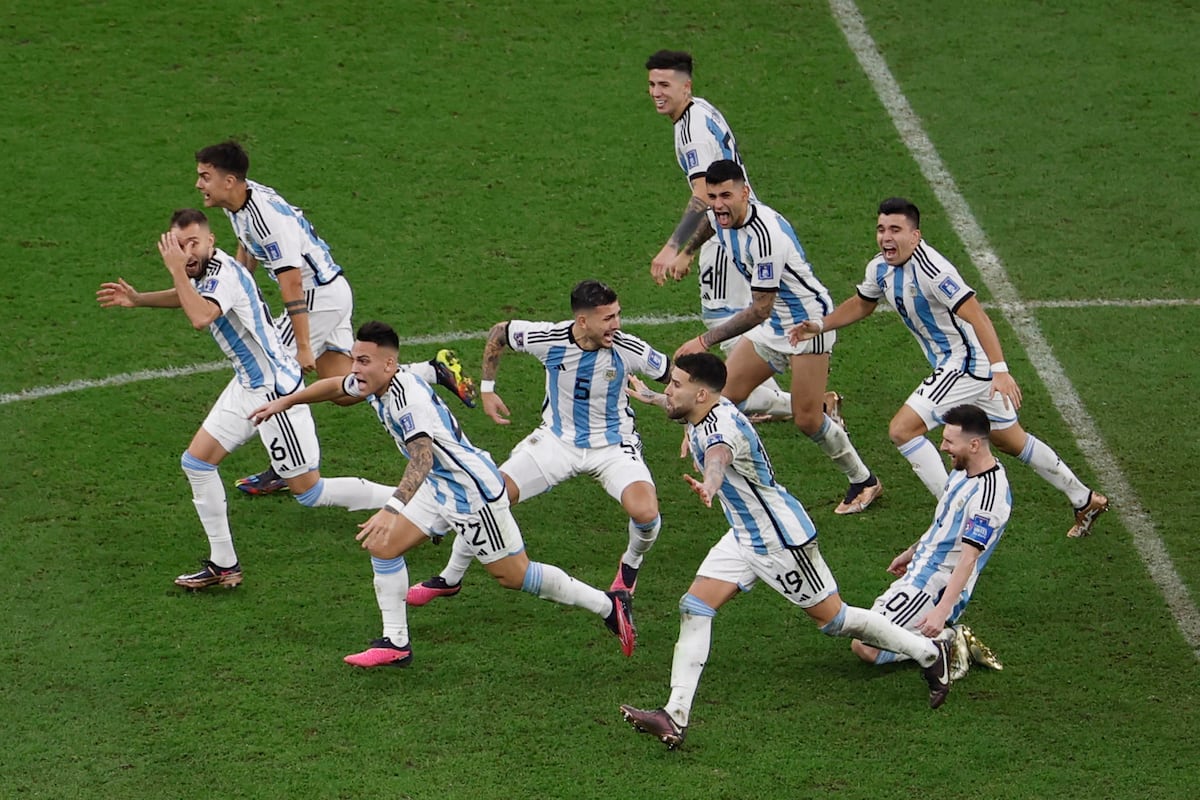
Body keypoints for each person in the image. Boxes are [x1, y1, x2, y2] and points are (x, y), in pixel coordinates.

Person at [248, 321, 636, 666]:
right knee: (383, 548)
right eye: (354, 359)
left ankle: (607, 605)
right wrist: (286, 402)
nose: (355, 369)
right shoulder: (376, 378)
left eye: (363, 361)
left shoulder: (406, 402)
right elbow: (336, 386)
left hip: (471, 494)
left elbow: (423, 458)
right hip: (441, 488)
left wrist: (391, 508)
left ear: (388, 364)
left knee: (514, 576)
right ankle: (396, 643)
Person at [618, 353, 953, 751]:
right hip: (745, 536)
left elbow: (718, 457)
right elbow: (693, 418)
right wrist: (654, 397)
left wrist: (710, 485)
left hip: (780, 543)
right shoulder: (710, 406)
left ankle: (931, 653)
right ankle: (674, 716)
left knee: (836, 620)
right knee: (694, 607)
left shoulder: (721, 431)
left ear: (702, 393)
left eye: (675, 384)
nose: (669, 389)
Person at [96, 209, 397, 589]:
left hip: (273, 392)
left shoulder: (222, 274)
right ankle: (224, 564)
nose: (186, 252)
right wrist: (139, 299)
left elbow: (201, 315)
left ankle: (412, 501)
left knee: (311, 492)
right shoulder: (205, 272)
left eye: (193, 243)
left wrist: (174, 269)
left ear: (211, 242)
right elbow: (190, 296)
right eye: (178, 245)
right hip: (247, 385)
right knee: (196, 463)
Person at [790, 197, 1108, 537]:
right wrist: (822, 325)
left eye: (896, 230)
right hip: (963, 365)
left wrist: (1000, 369)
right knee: (1010, 440)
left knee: (902, 429)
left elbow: (978, 316)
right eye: (881, 229)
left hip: (967, 364)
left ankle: (953, 514)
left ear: (915, 236)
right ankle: (1084, 497)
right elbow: (862, 304)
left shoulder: (934, 271)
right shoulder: (880, 268)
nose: (886, 238)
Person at [193, 140, 476, 496]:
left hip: (317, 300)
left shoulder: (263, 217)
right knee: (344, 389)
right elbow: (247, 249)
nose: (199, 184)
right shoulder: (241, 203)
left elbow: (292, 282)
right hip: (331, 291)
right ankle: (432, 370)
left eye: (205, 177)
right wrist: (238, 283)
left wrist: (304, 347)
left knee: (271, 373)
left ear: (229, 180)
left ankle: (287, 468)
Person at [406, 279, 670, 606]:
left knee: (645, 513)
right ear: (582, 321)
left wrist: (661, 402)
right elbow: (500, 332)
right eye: (608, 318)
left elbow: (679, 380)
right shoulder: (551, 338)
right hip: (556, 443)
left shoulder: (628, 348)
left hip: (613, 447)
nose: (616, 325)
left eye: (618, 315)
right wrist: (487, 389)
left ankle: (629, 567)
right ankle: (450, 577)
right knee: (489, 496)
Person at [674, 160, 883, 515]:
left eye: (727, 195)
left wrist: (705, 341)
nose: (719, 204)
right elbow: (708, 224)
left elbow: (760, 310)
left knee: (807, 420)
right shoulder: (719, 215)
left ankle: (864, 481)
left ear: (745, 192)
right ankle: (724, 460)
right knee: (723, 395)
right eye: (712, 196)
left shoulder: (766, 237)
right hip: (772, 329)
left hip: (805, 327)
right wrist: (685, 253)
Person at [644, 49, 792, 422]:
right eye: (651, 84)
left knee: (723, 322)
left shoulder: (692, 132)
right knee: (730, 321)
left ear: (685, 86)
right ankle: (775, 397)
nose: (656, 92)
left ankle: (798, 403)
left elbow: (704, 196)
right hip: (732, 228)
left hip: (730, 234)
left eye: (664, 85)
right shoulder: (700, 110)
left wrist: (675, 247)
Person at [849, 404, 1008, 680]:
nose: (943, 447)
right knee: (866, 631)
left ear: (973, 444)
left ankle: (945, 640)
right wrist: (913, 551)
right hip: (921, 570)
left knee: (865, 646)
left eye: (949, 441)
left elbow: (968, 558)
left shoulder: (988, 498)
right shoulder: (963, 470)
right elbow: (944, 523)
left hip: (934, 586)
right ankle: (941, 640)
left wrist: (941, 611)